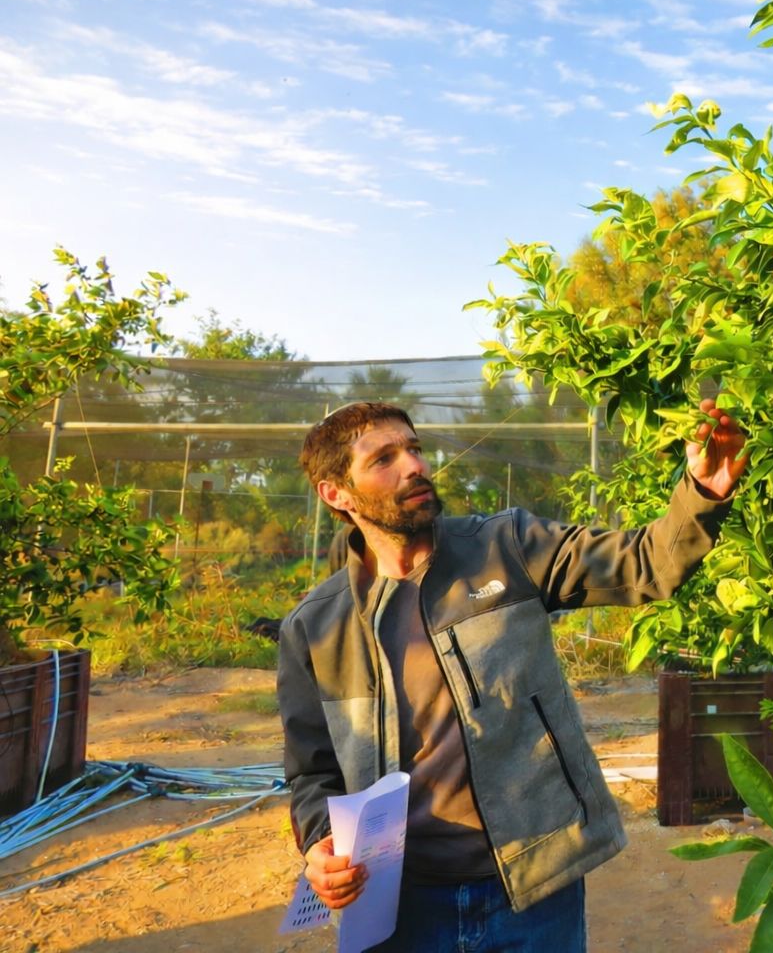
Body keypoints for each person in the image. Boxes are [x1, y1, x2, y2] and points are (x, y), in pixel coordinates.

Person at [276, 398, 746, 952]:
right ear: (337, 493)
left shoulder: (506, 548)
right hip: (398, 903)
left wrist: (703, 494)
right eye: (384, 459)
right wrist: (321, 844)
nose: (415, 467)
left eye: (415, 449)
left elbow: (642, 563)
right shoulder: (315, 628)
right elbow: (311, 774)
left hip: (533, 886)